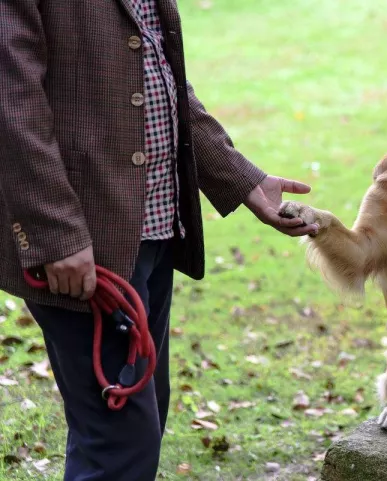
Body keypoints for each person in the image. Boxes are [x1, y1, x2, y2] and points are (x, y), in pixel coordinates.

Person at [0, 1, 319, 479]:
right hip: (83, 245)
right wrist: (55, 233)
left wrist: (244, 180)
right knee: (121, 443)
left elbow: (159, 74)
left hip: (152, 230)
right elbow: (10, 99)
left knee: (124, 428)